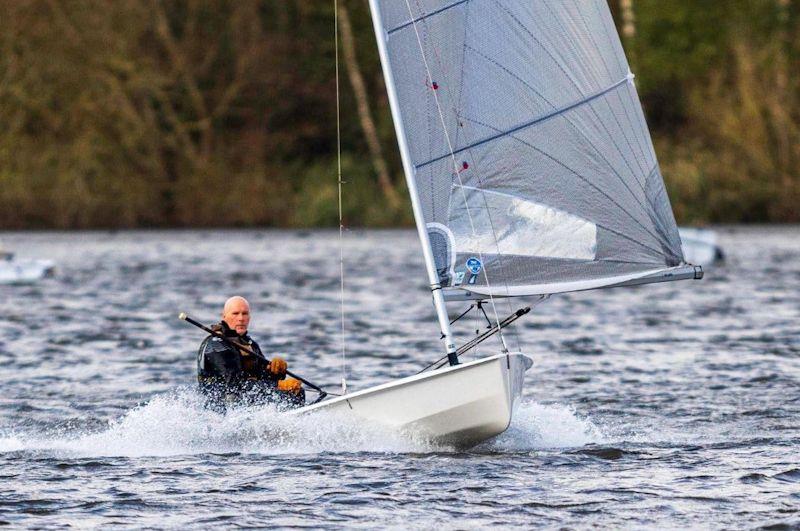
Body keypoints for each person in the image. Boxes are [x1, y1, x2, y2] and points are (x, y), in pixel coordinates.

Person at [197, 296, 304, 410]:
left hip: (245, 398)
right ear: (224, 316)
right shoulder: (216, 345)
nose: (241, 318)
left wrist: (275, 372)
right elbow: (235, 383)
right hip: (222, 406)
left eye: (245, 313)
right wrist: (278, 385)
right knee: (284, 393)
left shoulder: (250, 344)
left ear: (249, 317)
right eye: (235, 313)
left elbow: (261, 378)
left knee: (296, 391)